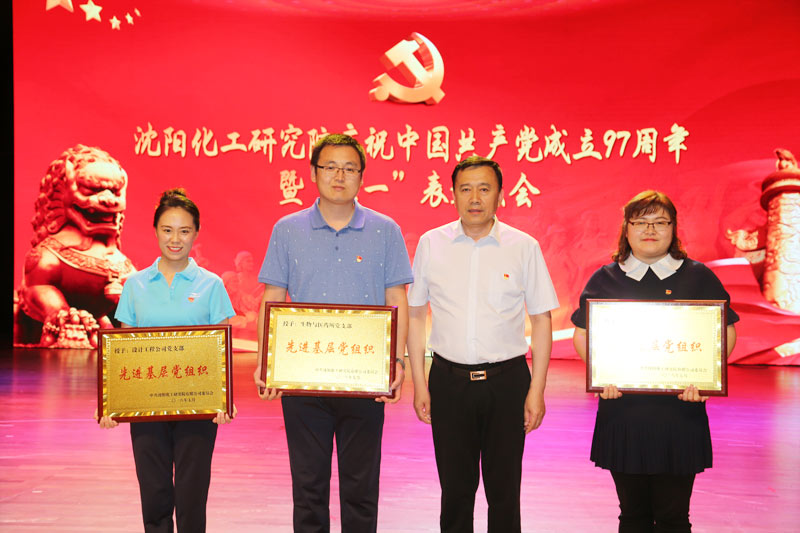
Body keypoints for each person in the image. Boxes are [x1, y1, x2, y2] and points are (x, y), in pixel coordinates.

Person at [254, 133, 412, 533]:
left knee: (361, 487)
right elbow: (273, 297)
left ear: (362, 176)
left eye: (349, 168)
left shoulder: (386, 230)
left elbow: (397, 297)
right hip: (303, 380)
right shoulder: (287, 229)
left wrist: (396, 361)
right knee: (308, 487)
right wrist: (266, 363)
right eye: (330, 167)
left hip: (365, 378)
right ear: (313, 173)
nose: (339, 176)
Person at [406, 156, 559, 533]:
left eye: (484, 189)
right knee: (455, 492)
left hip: (507, 382)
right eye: (466, 189)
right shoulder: (431, 243)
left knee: (504, 492)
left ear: (500, 195)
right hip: (448, 382)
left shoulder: (523, 247)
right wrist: (419, 383)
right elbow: (416, 314)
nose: (475, 198)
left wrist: (537, 389)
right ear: (453, 194)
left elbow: (541, 319)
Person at [571, 190, 738, 533]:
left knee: (674, 517)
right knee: (632, 515)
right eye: (641, 222)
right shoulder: (606, 277)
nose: (650, 230)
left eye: (660, 222)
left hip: (680, 414)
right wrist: (600, 375)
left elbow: (726, 330)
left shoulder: (698, 276)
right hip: (623, 413)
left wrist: (707, 378)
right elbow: (582, 333)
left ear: (673, 228)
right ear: (626, 228)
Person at [97, 188, 236, 533]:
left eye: (184, 231)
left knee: (192, 495)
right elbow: (123, 351)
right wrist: (112, 403)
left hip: (197, 405)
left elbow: (221, 348)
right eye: (167, 230)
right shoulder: (135, 285)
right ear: (156, 231)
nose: (176, 239)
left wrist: (224, 399)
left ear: (196, 233)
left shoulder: (212, 285)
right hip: (147, 406)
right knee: (154, 493)